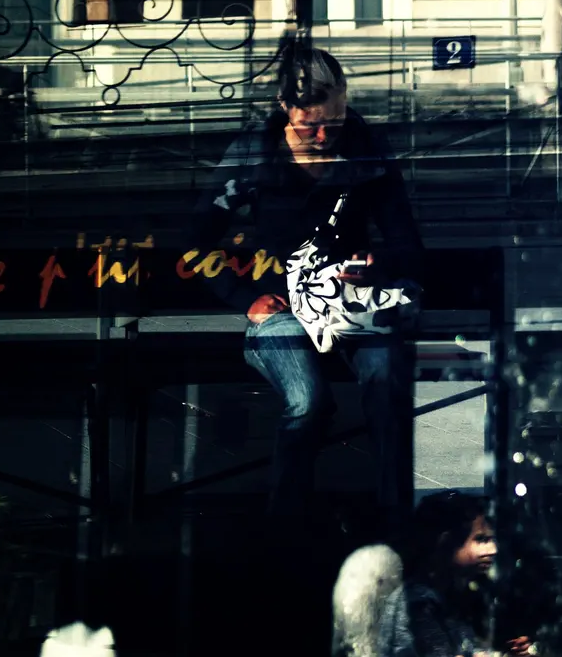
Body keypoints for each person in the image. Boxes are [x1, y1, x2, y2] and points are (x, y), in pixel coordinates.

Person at [188, 42, 425, 535]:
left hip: (349, 304)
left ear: (346, 103)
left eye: (334, 123)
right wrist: (244, 299)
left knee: (387, 385)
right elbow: (194, 241)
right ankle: (287, 529)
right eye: (309, 125)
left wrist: (376, 267)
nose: (322, 136)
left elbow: (405, 240)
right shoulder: (255, 153)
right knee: (308, 402)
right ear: (284, 108)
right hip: (278, 307)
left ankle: (395, 523)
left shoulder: (365, 148)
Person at [378, 491, 534, 657]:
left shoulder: (453, 595)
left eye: (492, 540)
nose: (493, 550)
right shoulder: (419, 602)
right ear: (446, 543)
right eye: (481, 539)